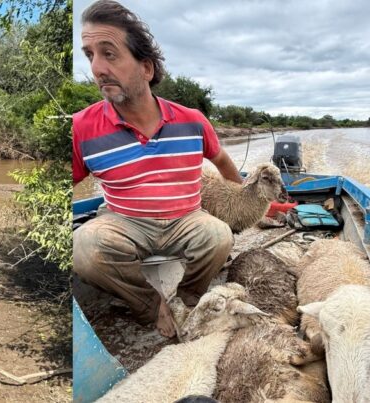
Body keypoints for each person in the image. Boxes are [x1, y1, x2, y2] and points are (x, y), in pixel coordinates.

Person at [72, 0, 242, 338]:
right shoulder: (81, 128)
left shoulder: (192, 121)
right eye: (90, 55)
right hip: (124, 220)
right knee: (83, 248)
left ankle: (188, 298)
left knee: (219, 236)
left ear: (146, 68)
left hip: (186, 218)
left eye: (109, 54)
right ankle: (151, 306)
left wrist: (247, 200)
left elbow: (222, 161)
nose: (97, 68)